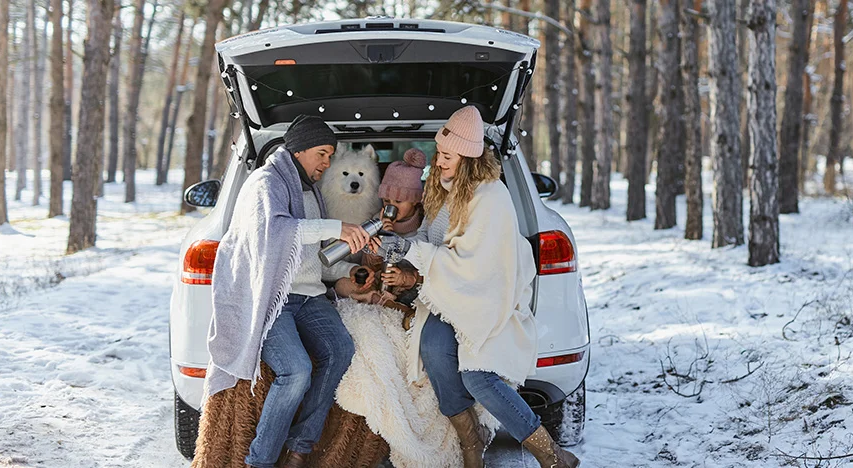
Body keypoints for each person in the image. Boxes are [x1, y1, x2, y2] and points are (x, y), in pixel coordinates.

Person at [377, 106, 581, 468]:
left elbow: (474, 266)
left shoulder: (491, 199)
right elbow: (432, 238)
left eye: (446, 157)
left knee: (478, 379)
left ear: (469, 158)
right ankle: (472, 438)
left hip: (489, 300)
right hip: (452, 295)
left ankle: (552, 456)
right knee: (436, 349)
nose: (438, 163)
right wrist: (403, 243)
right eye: (439, 154)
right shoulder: (442, 191)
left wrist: (414, 252)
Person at [204, 114, 379, 468]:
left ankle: (299, 449)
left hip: (310, 297)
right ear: (299, 150)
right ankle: (260, 461)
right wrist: (337, 227)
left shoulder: (312, 191)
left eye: (331, 156)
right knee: (296, 370)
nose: (327, 163)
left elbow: (316, 257)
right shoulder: (264, 183)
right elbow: (276, 230)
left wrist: (351, 269)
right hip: (274, 300)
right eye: (322, 154)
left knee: (340, 350)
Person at [332, 147, 427, 310]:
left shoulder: (424, 225)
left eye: (398, 202)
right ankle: (376, 298)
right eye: (387, 201)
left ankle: (391, 304)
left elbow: (430, 265)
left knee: (419, 293)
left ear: (414, 201)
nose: (391, 207)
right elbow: (368, 262)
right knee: (342, 284)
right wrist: (382, 238)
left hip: (407, 283)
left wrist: (404, 278)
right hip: (379, 281)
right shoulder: (377, 220)